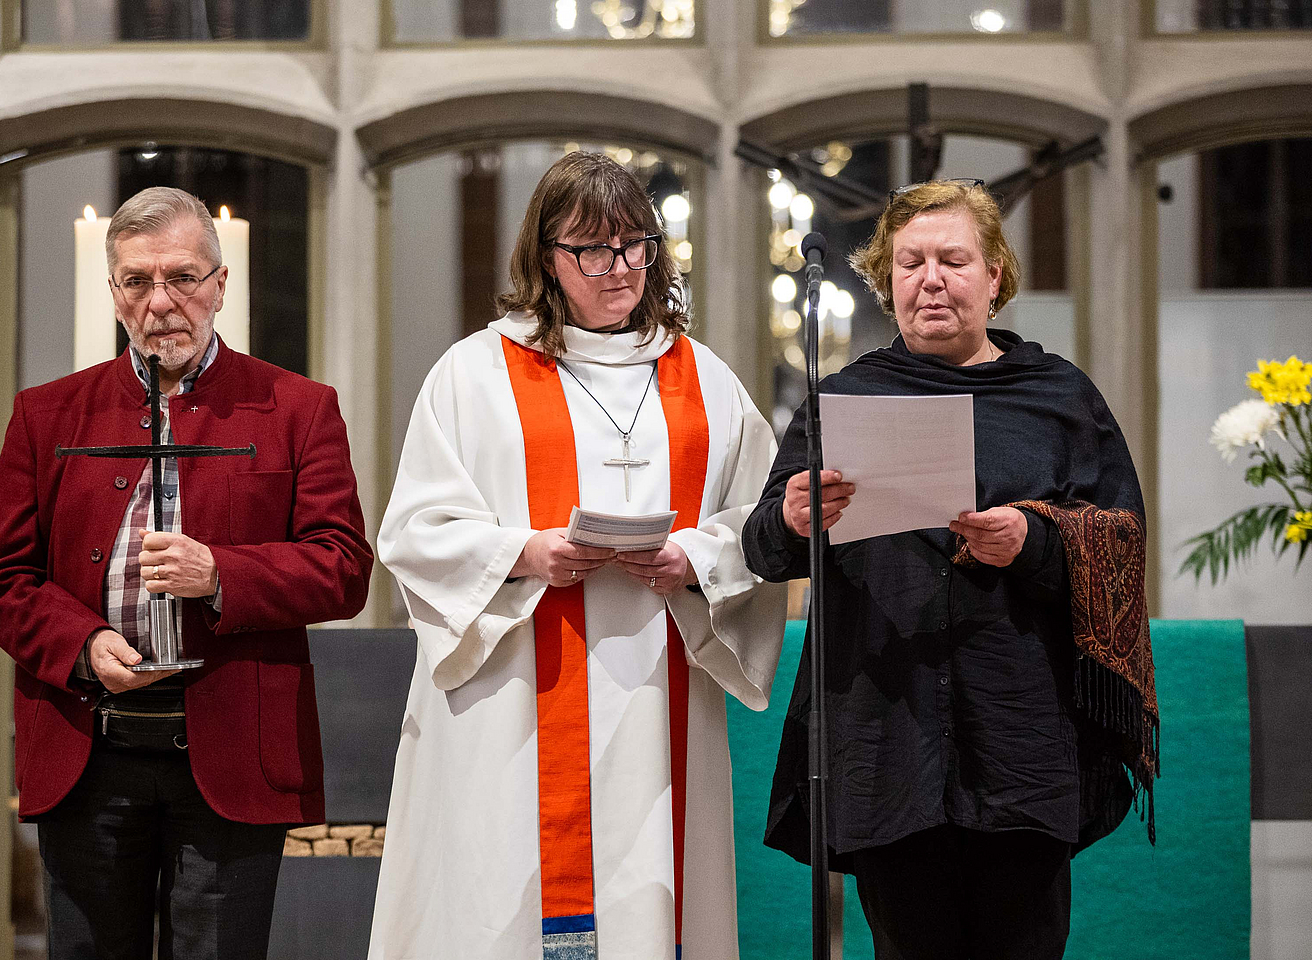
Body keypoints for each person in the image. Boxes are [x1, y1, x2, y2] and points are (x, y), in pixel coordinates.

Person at [370, 151, 787, 960]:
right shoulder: (475, 375)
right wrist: (524, 551)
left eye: (635, 244)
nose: (619, 267)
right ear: (545, 259)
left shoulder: (704, 381)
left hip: (655, 695)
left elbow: (762, 520)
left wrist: (694, 560)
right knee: (501, 907)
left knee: (651, 895)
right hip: (514, 695)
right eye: (592, 249)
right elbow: (414, 531)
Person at [742, 179, 1158, 960]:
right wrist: (794, 518)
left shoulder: (1061, 397)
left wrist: (1031, 542)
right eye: (910, 263)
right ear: (885, 279)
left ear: (995, 274)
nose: (930, 279)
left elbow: (1124, 547)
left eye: (953, 260)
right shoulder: (846, 398)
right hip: (885, 741)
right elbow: (763, 547)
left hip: (1022, 739)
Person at [0, 186, 373, 960]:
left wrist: (218, 571)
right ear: (114, 292)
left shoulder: (298, 408)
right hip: (88, 752)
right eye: (138, 281)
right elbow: (2, 580)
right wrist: (84, 643)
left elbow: (343, 567)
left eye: (183, 277)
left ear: (221, 285)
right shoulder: (46, 415)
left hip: (230, 752)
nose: (162, 301)